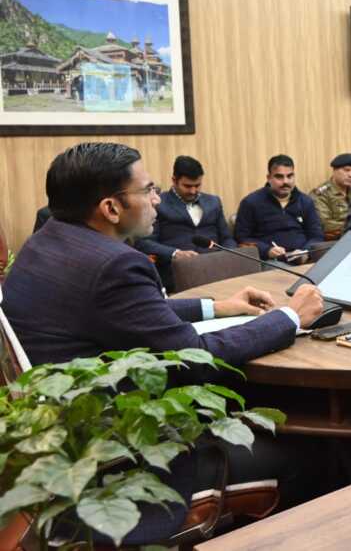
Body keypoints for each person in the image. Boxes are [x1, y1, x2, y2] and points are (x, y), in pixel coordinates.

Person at [1, 143, 327, 543]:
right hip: (123, 461)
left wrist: (215, 306)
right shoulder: (116, 264)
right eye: (148, 190)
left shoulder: (47, 241)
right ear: (111, 208)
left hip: (60, 445)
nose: (157, 199)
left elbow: (126, 313)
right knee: (314, 453)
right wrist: (289, 317)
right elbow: (196, 358)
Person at [134, 156, 237, 291]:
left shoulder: (213, 202)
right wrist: (175, 253)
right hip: (176, 274)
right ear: (174, 180)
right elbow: (144, 243)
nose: (193, 191)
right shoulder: (158, 203)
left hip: (215, 269)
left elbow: (227, 238)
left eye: (197, 185)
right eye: (187, 186)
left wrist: (228, 254)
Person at [235, 154, 324, 261]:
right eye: (279, 177)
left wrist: (305, 251)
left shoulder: (306, 201)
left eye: (289, 176)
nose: (285, 181)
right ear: (269, 178)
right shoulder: (251, 202)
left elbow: (316, 236)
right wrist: (267, 250)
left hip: (303, 258)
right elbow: (242, 238)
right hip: (271, 261)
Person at [312, 153, 351, 240]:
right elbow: (325, 224)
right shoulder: (321, 194)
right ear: (334, 171)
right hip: (334, 240)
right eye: (347, 170)